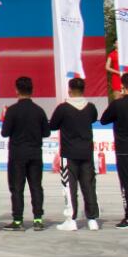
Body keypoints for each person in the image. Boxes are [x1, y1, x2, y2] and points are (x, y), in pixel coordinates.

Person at [50, 77, 100, 231]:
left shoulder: (63, 108)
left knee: (69, 187)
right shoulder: (90, 107)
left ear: (69, 90)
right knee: (89, 185)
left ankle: (71, 219)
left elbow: (53, 125)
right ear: (83, 90)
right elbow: (93, 119)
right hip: (86, 152)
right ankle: (92, 219)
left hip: (69, 153)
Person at [1, 76, 50, 230]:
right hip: (35, 153)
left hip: (17, 154)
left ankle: (18, 220)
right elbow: (47, 132)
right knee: (36, 186)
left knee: (17, 187)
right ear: (31, 90)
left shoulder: (12, 111)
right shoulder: (39, 110)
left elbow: (5, 132)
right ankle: (38, 219)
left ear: (17, 90)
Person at [100, 72, 128, 227]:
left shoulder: (118, 104)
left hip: (125, 149)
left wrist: (117, 102)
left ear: (122, 86)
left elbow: (104, 120)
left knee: (127, 184)